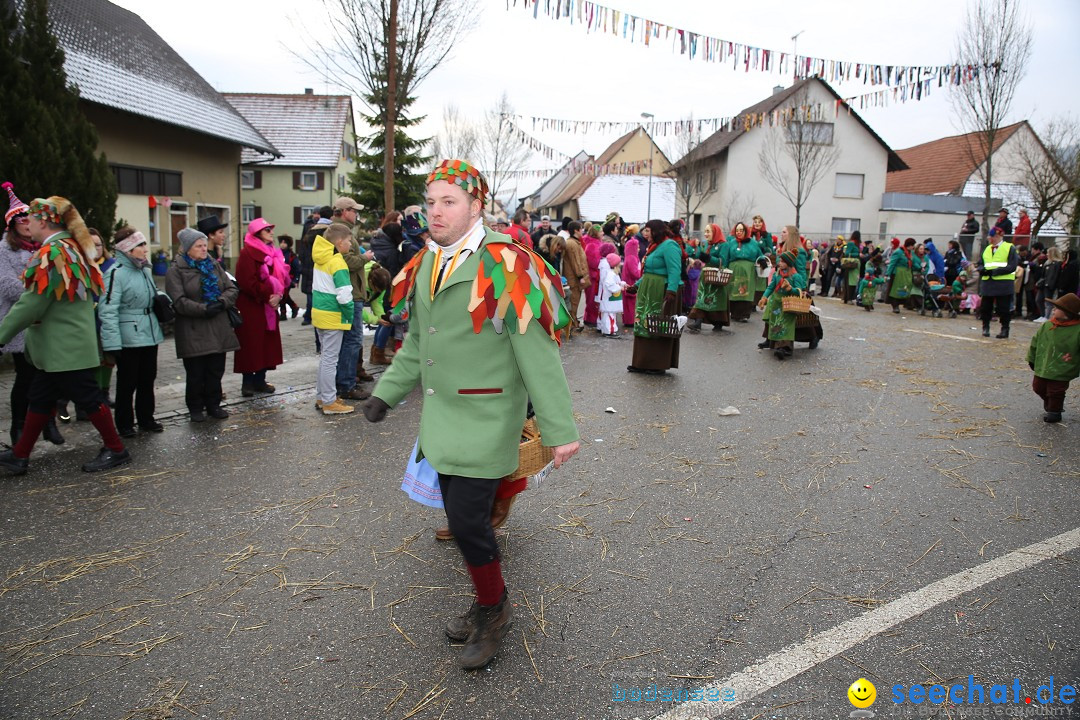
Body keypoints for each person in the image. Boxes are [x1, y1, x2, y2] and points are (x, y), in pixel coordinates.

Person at [360, 158, 580, 670]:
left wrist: (559, 428)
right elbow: (418, 343)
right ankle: (489, 600)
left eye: (449, 202)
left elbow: (537, 352)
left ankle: (493, 609)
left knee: (466, 522)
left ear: (476, 206)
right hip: (441, 421)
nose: (435, 212)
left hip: (486, 418)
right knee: (464, 524)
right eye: (431, 202)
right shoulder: (428, 263)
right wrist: (387, 393)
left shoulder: (505, 263)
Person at [0, 195, 131, 474]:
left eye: (31, 219)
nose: (28, 224)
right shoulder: (72, 249)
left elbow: (31, 303)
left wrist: (1, 336)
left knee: (90, 399)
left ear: (44, 221)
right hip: (63, 346)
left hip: (64, 347)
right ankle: (20, 455)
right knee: (40, 397)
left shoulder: (53, 254)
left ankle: (116, 449)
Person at [0, 182, 64, 447]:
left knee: (49, 374)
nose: (27, 223)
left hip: (45, 322)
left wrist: (35, 285)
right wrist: (36, 288)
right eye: (22, 220)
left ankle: (48, 422)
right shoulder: (5, 250)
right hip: (22, 324)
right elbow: (7, 285)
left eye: (30, 219)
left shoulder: (43, 247)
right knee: (26, 378)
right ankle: (18, 427)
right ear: (13, 225)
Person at [167, 228, 240, 422]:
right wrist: (203, 308)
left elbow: (231, 287)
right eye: (198, 246)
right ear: (187, 248)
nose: (203, 250)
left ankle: (214, 404)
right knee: (196, 372)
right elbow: (179, 300)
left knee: (215, 369)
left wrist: (222, 302)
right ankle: (195, 407)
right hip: (193, 329)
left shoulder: (213, 265)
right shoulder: (176, 270)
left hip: (217, 326)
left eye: (204, 246)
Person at [99, 226, 165, 437]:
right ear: (128, 249)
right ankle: (124, 423)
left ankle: (146, 418)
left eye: (145, 244)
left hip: (149, 332)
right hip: (128, 337)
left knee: (148, 378)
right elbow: (108, 310)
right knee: (128, 382)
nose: (146, 249)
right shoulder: (115, 273)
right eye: (140, 245)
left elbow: (150, 295)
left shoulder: (145, 270)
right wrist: (112, 343)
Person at [234, 218, 288, 395]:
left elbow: (280, 278)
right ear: (257, 234)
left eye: (270, 229)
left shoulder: (272, 253)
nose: (271, 233)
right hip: (253, 306)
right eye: (267, 230)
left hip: (268, 306)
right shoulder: (248, 253)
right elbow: (246, 281)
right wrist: (268, 295)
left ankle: (260, 380)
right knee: (251, 344)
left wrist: (279, 295)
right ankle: (247, 382)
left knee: (266, 344)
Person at [330, 196, 375, 397]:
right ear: (345, 211)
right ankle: (346, 385)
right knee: (352, 340)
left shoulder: (341, 230)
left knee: (351, 340)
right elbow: (344, 260)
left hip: (352, 292)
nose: (356, 214)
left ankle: (347, 382)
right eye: (354, 210)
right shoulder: (339, 231)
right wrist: (364, 258)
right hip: (350, 293)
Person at [312, 223, 357, 415]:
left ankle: (323, 396)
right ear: (340, 242)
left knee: (325, 358)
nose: (350, 244)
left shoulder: (321, 258)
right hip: (333, 316)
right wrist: (350, 313)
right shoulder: (337, 262)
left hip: (320, 314)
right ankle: (329, 401)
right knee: (331, 360)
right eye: (348, 241)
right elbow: (344, 294)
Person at [628, 219, 683, 374]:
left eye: (648, 231)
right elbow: (649, 272)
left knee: (657, 325)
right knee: (643, 324)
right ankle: (641, 362)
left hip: (661, 291)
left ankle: (657, 364)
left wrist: (671, 290)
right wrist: (636, 285)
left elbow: (674, 270)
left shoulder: (670, 246)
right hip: (648, 290)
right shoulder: (655, 246)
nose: (645, 234)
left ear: (656, 231)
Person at [1027, 293, 1080, 423]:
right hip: (1044, 364)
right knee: (1038, 387)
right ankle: (1050, 403)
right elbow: (1035, 342)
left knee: (1056, 390)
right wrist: (1031, 358)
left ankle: (1054, 411)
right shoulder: (1047, 326)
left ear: (1068, 313)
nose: (1054, 310)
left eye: (1057, 308)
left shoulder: (1077, 329)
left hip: (1063, 366)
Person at [758, 250, 807, 360]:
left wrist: (790, 289)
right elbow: (771, 287)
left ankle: (785, 348)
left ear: (789, 263)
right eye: (780, 261)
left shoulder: (795, 276)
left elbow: (799, 291)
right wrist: (764, 297)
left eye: (783, 261)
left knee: (785, 324)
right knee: (773, 321)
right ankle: (771, 341)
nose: (780, 263)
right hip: (775, 302)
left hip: (787, 304)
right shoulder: (777, 275)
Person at [686, 223, 730, 332]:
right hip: (706, 275)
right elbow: (701, 257)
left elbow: (723, 261)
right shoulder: (706, 244)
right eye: (705, 231)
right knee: (701, 297)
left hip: (717, 276)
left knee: (716, 298)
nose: (706, 234)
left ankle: (719, 321)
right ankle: (698, 322)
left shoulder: (723, 245)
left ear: (715, 232)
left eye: (708, 231)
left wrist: (709, 258)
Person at [978, 227, 1018, 338]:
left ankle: (1005, 329)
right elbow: (980, 263)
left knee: (1003, 308)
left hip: (1003, 283)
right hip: (988, 282)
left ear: (998, 236)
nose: (990, 239)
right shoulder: (987, 249)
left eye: (991, 236)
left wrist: (995, 271)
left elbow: (1012, 266)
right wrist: (982, 269)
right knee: (985, 308)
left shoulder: (1009, 248)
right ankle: (985, 327)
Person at [297, 205, 333, 325]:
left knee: (313, 292)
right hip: (310, 263)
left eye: (318, 213)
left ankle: (310, 315)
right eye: (315, 213)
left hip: (311, 263)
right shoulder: (314, 227)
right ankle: (309, 315)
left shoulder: (312, 227)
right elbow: (303, 244)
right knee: (311, 293)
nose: (316, 215)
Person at [725, 222, 763, 322]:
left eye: (741, 230)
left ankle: (744, 314)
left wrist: (762, 260)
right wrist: (724, 268)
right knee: (734, 290)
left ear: (745, 231)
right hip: (734, 269)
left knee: (746, 292)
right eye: (737, 230)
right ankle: (734, 313)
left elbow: (760, 255)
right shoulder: (731, 243)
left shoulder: (753, 243)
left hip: (748, 270)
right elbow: (726, 257)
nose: (739, 232)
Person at [561, 221, 589, 332]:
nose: (582, 231)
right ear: (576, 230)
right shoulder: (572, 244)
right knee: (573, 302)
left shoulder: (574, 242)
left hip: (574, 278)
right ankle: (570, 325)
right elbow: (576, 261)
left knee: (574, 302)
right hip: (573, 280)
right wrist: (580, 276)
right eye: (581, 229)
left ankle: (572, 324)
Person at [596, 252, 625, 337]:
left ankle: (610, 330)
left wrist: (622, 284)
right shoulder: (611, 274)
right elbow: (610, 285)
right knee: (609, 316)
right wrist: (619, 287)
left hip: (611, 299)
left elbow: (617, 282)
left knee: (611, 315)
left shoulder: (613, 273)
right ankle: (609, 331)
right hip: (609, 299)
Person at [886, 238, 916, 313]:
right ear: (909, 245)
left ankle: (902, 303)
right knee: (895, 289)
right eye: (913, 245)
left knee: (904, 289)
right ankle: (895, 306)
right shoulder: (899, 252)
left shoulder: (910, 252)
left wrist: (920, 267)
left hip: (906, 274)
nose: (913, 247)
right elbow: (892, 263)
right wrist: (887, 274)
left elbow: (913, 262)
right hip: (897, 274)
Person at [277, 234, 301, 321]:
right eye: (281, 242)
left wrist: (296, 280)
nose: (282, 244)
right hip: (279, 278)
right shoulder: (277, 253)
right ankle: (294, 307)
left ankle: (283, 313)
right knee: (283, 296)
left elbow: (297, 268)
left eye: (284, 243)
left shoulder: (291, 255)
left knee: (283, 296)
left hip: (288, 279)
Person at [620, 234, 642, 328]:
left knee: (628, 304)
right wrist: (642, 272)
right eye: (637, 247)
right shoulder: (632, 258)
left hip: (628, 283)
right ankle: (630, 321)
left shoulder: (629, 257)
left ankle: (628, 320)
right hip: (631, 283)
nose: (639, 249)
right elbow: (635, 273)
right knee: (630, 304)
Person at [1038, 247, 1064, 322]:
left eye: (1048, 253)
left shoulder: (1057, 264)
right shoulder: (1047, 263)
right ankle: (1042, 315)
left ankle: (1046, 316)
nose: (1047, 254)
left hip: (1049, 285)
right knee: (1039, 299)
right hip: (1043, 284)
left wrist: (1051, 284)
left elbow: (1055, 275)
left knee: (1048, 301)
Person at [841, 233, 861, 303]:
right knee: (850, 282)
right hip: (851, 265)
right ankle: (848, 298)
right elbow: (847, 253)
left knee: (853, 282)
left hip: (855, 265)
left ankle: (850, 298)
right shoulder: (851, 243)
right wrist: (858, 254)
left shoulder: (855, 244)